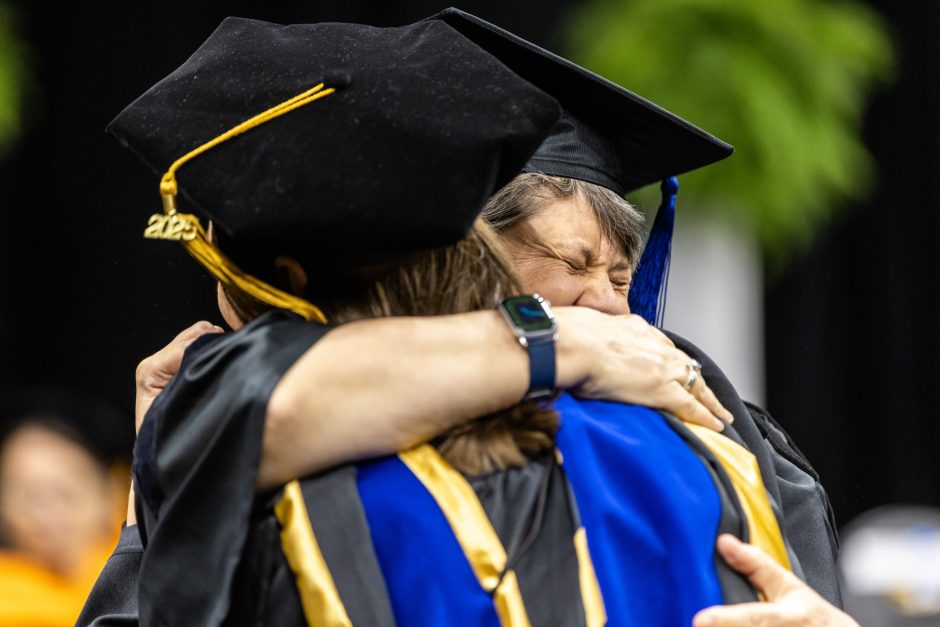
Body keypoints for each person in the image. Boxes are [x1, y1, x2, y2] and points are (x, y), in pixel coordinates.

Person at [81, 11, 849, 627]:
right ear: (472, 248)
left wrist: (171, 476)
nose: (611, 303)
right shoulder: (291, 425)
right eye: (574, 263)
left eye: (621, 274)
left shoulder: (704, 421)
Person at [0, 398, 126, 626]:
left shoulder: (150, 576)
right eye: (30, 498)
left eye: (65, 494)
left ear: (110, 495)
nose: (47, 518)